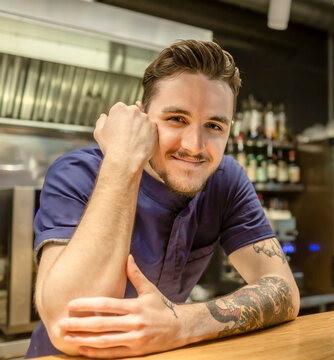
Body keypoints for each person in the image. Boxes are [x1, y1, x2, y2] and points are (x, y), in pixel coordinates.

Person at [27, 40, 300, 358]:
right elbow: (69, 324)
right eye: (176, 119)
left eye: (214, 126)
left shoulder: (226, 179)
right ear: (140, 117)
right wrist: (123, 162)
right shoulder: (76, 172)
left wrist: (181, 324)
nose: (195, 145)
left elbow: (284, 291)